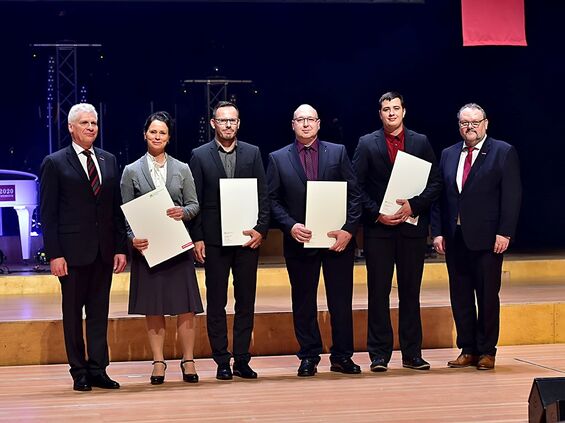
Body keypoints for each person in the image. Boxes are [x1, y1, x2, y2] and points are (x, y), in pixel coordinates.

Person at [267, 104, 362, 377]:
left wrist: (348, 230)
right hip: (299, 241)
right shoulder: (277, 158)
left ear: (319, 123)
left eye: (310, 119)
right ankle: (309, 355)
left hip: (337, 241)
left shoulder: (338, 152)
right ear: (292, 124)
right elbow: (272, 200)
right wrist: (290, 225)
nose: (306, 124)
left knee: (340, 301)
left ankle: (342, 356)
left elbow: (354, 195)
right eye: (300, 119)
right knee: (304, 300)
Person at [39, 103, 127, 391]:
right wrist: (55, 254)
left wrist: (120, 248)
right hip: (72, 254)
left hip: (103, 252)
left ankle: (98, 369)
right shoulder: (55, 162)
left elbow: (116, 210)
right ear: (71, 127)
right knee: (73, 314)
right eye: (85, 123)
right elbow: (48, 214)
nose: (91, 128)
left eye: (94, 123)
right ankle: (79, 371)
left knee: (100, 313)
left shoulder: (109, 160)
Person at [352, 91, 442, 372]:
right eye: (386, 109)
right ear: (380, 114)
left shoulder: (420, 141)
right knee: (378, 292)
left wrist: (412, 206)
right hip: (379, 230)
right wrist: (377, 213)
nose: (391, 113)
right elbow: (356, 186)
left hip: (411, 229)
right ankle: (379, 354)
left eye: (396, 108)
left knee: (410, 292)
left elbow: (435, 181)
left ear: (404, 111)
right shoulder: (367, 144)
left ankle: (412, 353)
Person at [431, 103, 521, 370]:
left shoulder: (503, 152)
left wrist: (505, 232)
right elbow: (439, 197)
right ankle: (467, 348)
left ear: (485, 123)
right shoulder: (448, 154)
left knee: (487, 296)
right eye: (464, 123)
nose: (469, 128)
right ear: (459, 125)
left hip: (488, 238)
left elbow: (512, 196)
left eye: (474, 122)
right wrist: (436, 232)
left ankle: (487, 350)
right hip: (455, 237)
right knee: (459, 295)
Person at [120, 111, 203, 384]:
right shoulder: (131, 171)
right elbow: (126, 213)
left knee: (186, 307)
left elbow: (194, 205)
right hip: (148, 251)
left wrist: (183, 212)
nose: (157, 136)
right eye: (153, 132)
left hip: (177, 248)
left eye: (162, 133)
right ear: (145, 134)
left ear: (169, 138)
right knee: (153, 308)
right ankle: (158, 362)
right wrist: (133, 239)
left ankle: (188, 360)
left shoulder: (182, 168)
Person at [189, 101, 270, 380]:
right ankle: (222, 360)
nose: (227, 125)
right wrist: (197, 237)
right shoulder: (199, 156)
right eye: (222, 121)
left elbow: (263, 195)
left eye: (232, 121)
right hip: (213, 241)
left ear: (238, 124)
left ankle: (243, 360)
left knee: (245, 301)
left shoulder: (253, 153)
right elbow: (194, 201)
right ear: (213, 123)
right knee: (216, 302)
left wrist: (261, 228)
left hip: (247, 239)